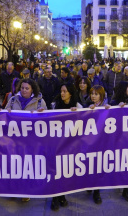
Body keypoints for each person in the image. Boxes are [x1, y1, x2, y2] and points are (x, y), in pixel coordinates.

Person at [50, 83, 82, 211]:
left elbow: (86, 120)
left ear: (70, 93)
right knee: (56, 171)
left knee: (65, 171)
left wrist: (79, 112)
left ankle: (62, 195)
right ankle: (55, 197)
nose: (62, 93)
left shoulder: (78, 105)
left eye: (65, 91)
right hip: (56, 144)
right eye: (61, 91)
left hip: (70, 146)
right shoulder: (55, 104)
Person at [87, 85, 108, 204]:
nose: (93, 96)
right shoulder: (87, 106)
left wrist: (108, 110)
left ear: (101, 95)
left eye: (96, 94)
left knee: (98, 166)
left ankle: (97, 192)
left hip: (102, 142)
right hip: (91, 142)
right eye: (92, 94)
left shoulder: (106, 107)